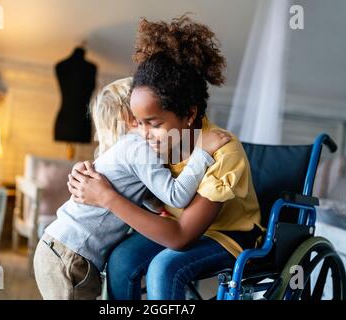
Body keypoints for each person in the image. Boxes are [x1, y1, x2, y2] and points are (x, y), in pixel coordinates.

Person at [68, 16, 263, 300]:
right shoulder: (156, 142)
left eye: (153, 123)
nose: (143, 134)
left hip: (226, 236)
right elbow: (140, 182)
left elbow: (181, 237)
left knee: (164, 267)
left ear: (189, 114)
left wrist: (106, 197)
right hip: (173, 224)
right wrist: (91, 175)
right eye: (138, 122)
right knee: (121, 259)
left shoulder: (224, 152)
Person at [33, 77, 231, 300]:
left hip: (58, 247)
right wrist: (202, 154)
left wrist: (158, 206)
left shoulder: (124, 149)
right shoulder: (137, 148)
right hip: (71, 255)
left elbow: (144, 196)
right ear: (132, 117)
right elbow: (176, 196)